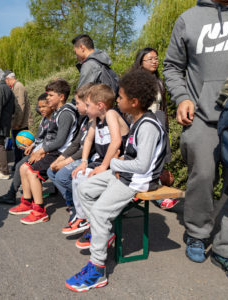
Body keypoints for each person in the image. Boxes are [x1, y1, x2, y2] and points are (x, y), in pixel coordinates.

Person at [163, 0, 228, 285]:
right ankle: (197, 233)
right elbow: (171, 66)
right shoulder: (189, 18)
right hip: (201, 116)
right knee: (202, 175)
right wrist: (182, 97)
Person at [65, 69, 166, 292]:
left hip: (137, 180)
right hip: (124, 174)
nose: (117, 101)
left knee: (100, 213)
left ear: (134, 101)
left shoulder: (148, 125)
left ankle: (97, 268)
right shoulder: (136, 120)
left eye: (119, 97)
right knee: (85, 188)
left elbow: (141, 165)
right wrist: (119, 163)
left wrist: (115, 164)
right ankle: (105, 232)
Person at [8, 79, 78, 224]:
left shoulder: (66, 113)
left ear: (61, 97)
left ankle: (40, 211)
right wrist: (38, 148)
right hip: (53, 151)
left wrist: (41, 151)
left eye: (51, 95)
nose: (47, 98)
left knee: (32, 171)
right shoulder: (58, 113)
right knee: (23, 167)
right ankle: (27, 202)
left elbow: (60, 141)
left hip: (61, 154)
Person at [68, 84, 129, 240]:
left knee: (84, 181)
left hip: (116, 164)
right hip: (102, 163)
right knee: (78, 175)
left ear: (100, 106)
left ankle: (95, 224)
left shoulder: (111, 114)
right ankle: (84, 218)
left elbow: (116, 142)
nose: (86, 109)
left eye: (88, 105)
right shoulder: (96, 119)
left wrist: (103, 166)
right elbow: (88, 139)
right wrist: (83, 162)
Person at [132, 47, 177, 210]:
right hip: (142, 123)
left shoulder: (159, 81)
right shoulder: (135, 81)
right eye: (150, 59)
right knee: (147, 158)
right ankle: (158, 198)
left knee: (157, 159)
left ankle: (153, 193)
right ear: (141, 62)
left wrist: (165, 126)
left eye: (156, 58)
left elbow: (162, 107)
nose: (154, 61)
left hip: (158, 122)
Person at [0, 93, 53, 204]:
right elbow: (40, 139)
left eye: (43, 107)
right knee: (20, 165)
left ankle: (12, 194)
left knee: (21, 165)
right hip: (38, 149)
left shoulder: (53, 121)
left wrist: (38, 150)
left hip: (45, 152)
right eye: (39, 107)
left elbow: (51, 141)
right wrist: (31, 145)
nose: (40, 110)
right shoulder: (44, 120)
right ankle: (16, 194)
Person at [47, 83, 94, 223]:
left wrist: (65, 162)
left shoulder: (95, 122)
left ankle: (84, 205)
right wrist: (59, 160)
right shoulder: (85, 120)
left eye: (78, 103)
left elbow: (88, 149)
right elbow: (75, 144)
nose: (76, 106)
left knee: (62, 176)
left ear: (88, 103)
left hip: (89, 159)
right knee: (51, 170)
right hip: (80, 156)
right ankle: (72, 203)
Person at [4, 71, 31, 171]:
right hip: (18, 123)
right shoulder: (16, 86)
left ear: (8, 79)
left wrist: (17, 123)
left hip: (20, 124)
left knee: (20, 146)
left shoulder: (18, 87)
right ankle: (18, 164)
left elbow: (20, 107)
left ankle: (20, 166)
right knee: (17, 146)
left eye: (5, 80)